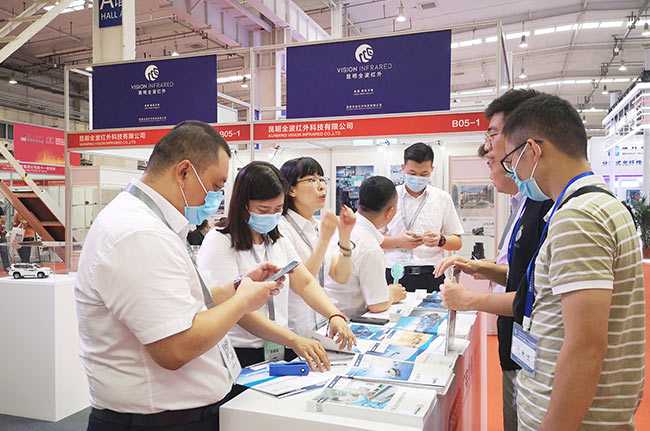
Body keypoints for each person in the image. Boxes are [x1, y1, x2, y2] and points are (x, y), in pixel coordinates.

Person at [75, 121, 286, 431]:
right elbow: (175, 349)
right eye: (215, 186)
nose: (215, 197)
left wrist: (239, 286)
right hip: (157, 422)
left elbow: (186, 304)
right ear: (184, 172)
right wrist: (241, 302)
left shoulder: (151, 224)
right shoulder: (139, 233)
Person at [503, 94, 645, 430]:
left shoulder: (579, 217)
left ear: (532, 150)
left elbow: (585, 346)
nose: (513, 174)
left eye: (511, 161)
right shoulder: (596, 205)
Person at [435, 88, 553, 431]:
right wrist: (478, 267)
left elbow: (539, 298)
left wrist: (470, 299)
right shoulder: (526, 203)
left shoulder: (556, 208)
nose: (491, 153)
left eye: (494, 138)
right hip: (519, 347)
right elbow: (524, 275)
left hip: (536, 354)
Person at [197, 161, 356, 369]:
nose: (271, 215)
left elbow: (305, 282)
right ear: (243, 204)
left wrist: (334, 315)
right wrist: (292, 339)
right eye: (263, 209)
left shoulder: (277, 239)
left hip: (279, 347)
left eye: (278, 209)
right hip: (242, 351)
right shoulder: (220, 241)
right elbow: (235, 308)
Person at [279, 157, 356, 335]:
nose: (321, 186)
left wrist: (344, 236)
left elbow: (341, 275)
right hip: (294, 331)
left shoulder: (316, 226)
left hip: (320, 327)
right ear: (291, 189)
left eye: (322, 179)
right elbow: (302, 282)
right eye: (312, 180)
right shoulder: (282, 228)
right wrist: (324, 239)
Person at [381, 143, 463, 292]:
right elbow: (374, 239)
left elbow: (457, 242)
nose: (417, 178)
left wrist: (440, 240)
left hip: (432, 274)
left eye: (424, 174)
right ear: (403, 168)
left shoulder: (442, 198)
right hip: (395, 274)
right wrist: (400, 241)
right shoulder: (388, 197)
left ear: (432, 170)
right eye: (412, 173)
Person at [325, 176, 407, 317]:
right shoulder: (370, 247)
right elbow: (377, 305)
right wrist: (392, 294)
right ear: (390, 211)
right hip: (348, 320)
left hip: (326, 314)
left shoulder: (340, 228)